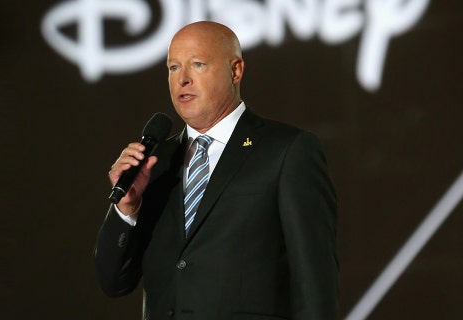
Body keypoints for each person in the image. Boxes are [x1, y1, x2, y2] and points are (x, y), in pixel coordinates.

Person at [93, 21, 338, 320]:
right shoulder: (155, 163)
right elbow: (113, 282)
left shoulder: (287, 150)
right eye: (173, 68)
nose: (182, 79)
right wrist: (126, 207)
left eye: (197, 64)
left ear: (235, 71)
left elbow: (315, 283)